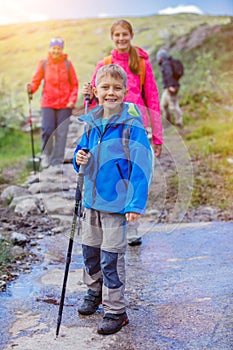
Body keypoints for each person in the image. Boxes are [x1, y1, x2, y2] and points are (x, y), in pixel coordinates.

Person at [73, 64, 153, 335]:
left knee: (111, 257)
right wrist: (78, 158)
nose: (111, 92)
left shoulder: (131, 124)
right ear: (96, 91)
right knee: (90, 252)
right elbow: (79, 155)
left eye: (116, 88)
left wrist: (134, 203)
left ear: (125, 91)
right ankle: (94, 293)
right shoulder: (91, 119)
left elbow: (142, 165)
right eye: (105, 87)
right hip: (91, 202)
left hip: (116, 205)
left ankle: (116, 310)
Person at [82, 19, 163, 246]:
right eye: (116, 35)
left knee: (137, 172)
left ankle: (132, 222)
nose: (121, 39)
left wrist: (157, 136)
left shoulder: (142, 63)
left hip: (137, 125)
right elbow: (94, 95)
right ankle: (113, 222)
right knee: (115, 171)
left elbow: (153, 98)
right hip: (110, 127)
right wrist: (88, 94)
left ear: (131, 35)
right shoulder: (104, 64)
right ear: (112, 37)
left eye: (124, 34)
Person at [26, 37, 78, 171]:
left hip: (65, 104)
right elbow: (36, 81)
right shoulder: (43, 63)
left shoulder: (68, 64)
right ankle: (47, 155)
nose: (56, 51)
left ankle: (57, 162)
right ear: (50, 48)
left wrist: (72, 99)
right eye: (54, 48)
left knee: (61, 133)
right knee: (47, 130)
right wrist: (31, 87)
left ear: (62, 49)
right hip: (48, 103)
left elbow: (74, 84)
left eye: (58, 48)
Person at [156, 48, 183, 127]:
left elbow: (169, 74)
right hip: (169, 87)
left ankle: (179, 122)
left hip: (171, 87)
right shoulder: (168, 63)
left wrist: (171, 86)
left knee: (173, 106)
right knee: (163, 105)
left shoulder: (166, 64)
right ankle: (168, 121)